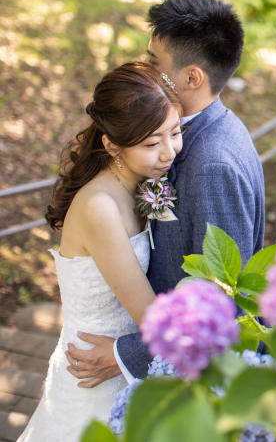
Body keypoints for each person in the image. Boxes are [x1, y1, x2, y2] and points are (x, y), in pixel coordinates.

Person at [65, 0, 266, 384]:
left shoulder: (212, 165)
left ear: (192, 78)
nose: (147, 69)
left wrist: (126, 355)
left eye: (155, 62)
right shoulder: (188, 133)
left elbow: (225, 301)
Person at [19, 63, 183, 442]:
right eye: (151, 143)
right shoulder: (100, 207)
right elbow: (152, 318)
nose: (169, 152)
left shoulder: (139, 183)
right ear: (111, 145)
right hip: (95, 372)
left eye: (175, 132)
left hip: (121, 364)